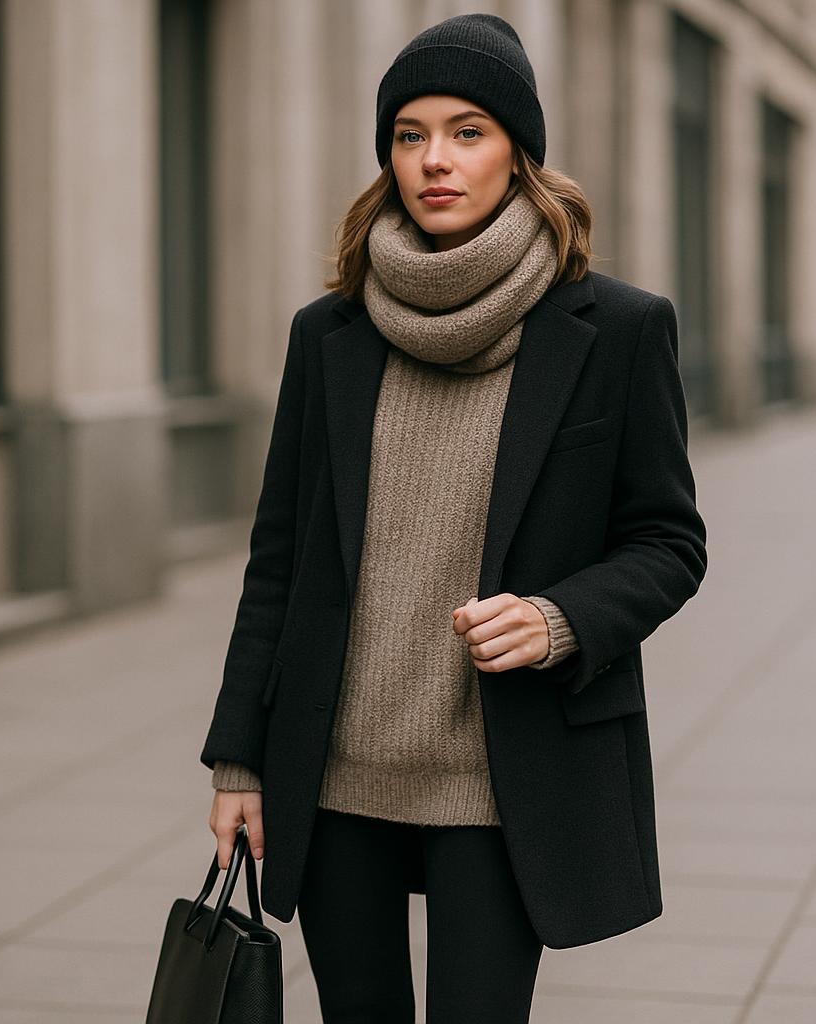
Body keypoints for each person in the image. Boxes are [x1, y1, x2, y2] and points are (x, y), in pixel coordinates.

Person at [199, 13, 708, 1023]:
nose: (434, 159)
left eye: (468, 130)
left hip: (500, 777)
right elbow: (281, 559)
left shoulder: (614, 331)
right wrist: (238, 758)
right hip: (337, 774)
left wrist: (561, 617)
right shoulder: (330, 334)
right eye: (409, 133)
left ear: (519, 151)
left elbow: (669, 541)